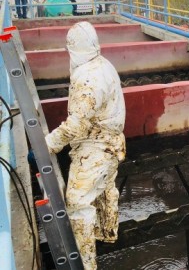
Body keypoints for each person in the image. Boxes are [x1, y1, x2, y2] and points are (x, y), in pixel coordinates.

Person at [45, 21, 126, 270]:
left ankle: (85, 263)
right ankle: (106, 231)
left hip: (97, 147)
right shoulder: (103, 64)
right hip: (112, 141)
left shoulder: (88, 80)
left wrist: (48, 144)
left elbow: (76, 124)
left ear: (73, 49)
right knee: (104, 187)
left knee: (78, 200)